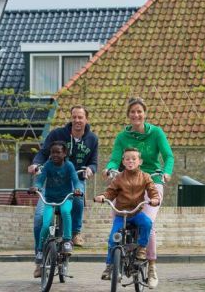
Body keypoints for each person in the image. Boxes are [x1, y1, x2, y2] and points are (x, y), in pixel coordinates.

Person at [102, 97, 174, 289]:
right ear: (128, 115)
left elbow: (168, 156)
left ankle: (151, 267)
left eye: (139, 111)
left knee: (148, 223)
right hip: (126, 183)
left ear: (145, 113)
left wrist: (166, 172)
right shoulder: (122, 137)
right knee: (118, 220)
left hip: (151, 182)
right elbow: (115, 157)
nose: (136, 115)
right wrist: (109, 168)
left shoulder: (156, 133)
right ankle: (114, 259)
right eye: (132, 112)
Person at [29, 105, 98, 252]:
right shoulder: (57, 134)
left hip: (76, 178)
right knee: (39, 219)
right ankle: (38, 254)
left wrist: (90, 170)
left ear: (86, 119)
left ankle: (75, 233)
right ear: (71, 118)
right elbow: (43, 153)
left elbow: (94, 162)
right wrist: (36, 164)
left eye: (80, 117)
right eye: (74, 117)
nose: (77, 120)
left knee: (78, 197)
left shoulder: (92, 139)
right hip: (53, 180)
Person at [94, 148, 160, 280]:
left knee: (147, 223)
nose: (131, 161)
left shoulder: (145, 177)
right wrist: (102, 196)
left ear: (140, 161)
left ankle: (141, 248)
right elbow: (111, 192)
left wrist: (155, 199)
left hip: (136, 212)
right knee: (113, 237)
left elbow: (152, 190)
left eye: (134, 159)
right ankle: (109, 266)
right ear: (123, 162)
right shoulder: (118, 178)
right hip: (121, 214)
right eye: (127, 159)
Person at [29, 141, 83, 278]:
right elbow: (41, 179)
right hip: (50, 200)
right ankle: (40, 250)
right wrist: (37, 187)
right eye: (52, 152)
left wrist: (77, 189)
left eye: (58, 152)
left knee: (65, 212)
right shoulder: (48, 165)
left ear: (64, 153)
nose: (55, 155)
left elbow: (76, 180)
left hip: (66, 198)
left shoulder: (69, 166)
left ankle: (67, 240)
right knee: (45, 223)